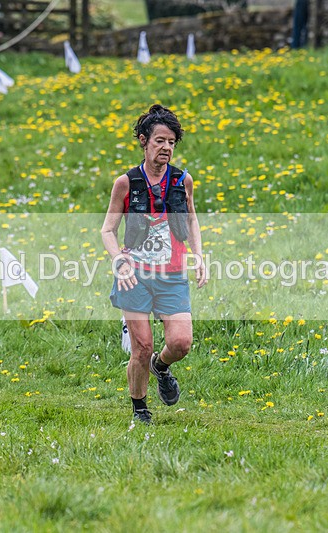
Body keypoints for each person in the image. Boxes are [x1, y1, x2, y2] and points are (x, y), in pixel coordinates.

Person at [101, 104, 208, 424]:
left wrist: (199, 255)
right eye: (160, 140)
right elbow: (108, 229)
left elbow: (191, 219)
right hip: (134, 276)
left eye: (172, 142)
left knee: (180, 342)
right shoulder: (126, 182)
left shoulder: (182, 180)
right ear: (143, 141)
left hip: (172, 273)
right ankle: (140, 409)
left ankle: (162, 368)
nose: (166, 147)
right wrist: (118, 260)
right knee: (142, 348)